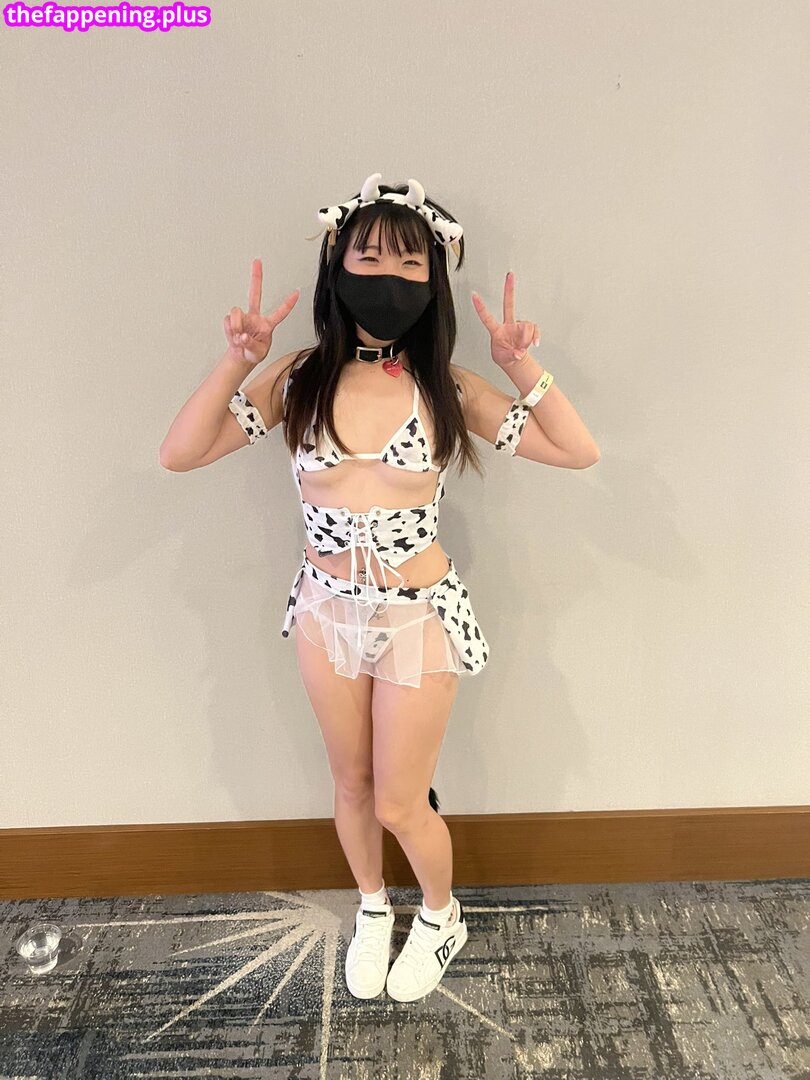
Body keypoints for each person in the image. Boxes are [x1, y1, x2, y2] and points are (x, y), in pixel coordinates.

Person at [160, 171, 599, 1005]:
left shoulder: (447, 387)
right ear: (337, 266)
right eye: (368, 257)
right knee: (352, 786)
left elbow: (577, 451)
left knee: (400, 801)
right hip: (325, 613)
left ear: (433, 281)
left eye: (409, 263)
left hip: (416, 616)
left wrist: (522, 364)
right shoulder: (298, 379)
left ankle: (439, 914)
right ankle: (372, 906)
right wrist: (238, 361)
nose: (388, 278)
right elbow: (181, 452)